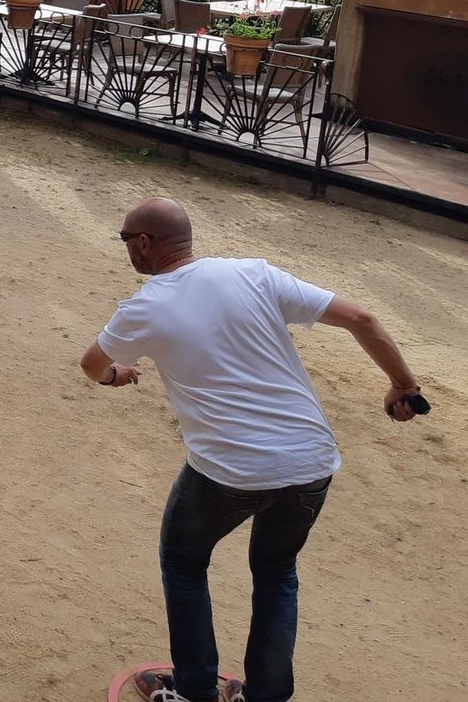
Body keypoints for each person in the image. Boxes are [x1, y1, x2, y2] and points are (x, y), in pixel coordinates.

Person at [80, 198, 424, 702]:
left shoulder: (145, 307)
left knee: (183, 561)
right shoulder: (254, 274)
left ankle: (193, 690)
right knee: (276, 571)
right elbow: (361, 317)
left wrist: (115, 375)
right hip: (310, 459)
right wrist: (404, 385)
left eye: (125, 239)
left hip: (229, 470)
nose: (126, 247)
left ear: (145, 244)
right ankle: (265, 695)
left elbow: (92, 364)